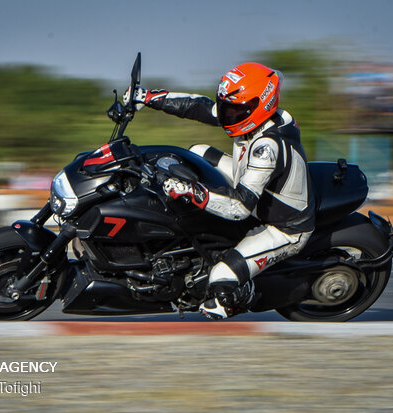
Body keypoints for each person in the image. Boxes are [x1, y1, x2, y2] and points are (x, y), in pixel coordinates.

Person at [124, 62, 315, 319]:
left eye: (235, 110)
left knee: (221, 279)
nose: (227, 115)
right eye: (226, 107)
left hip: (282, 225)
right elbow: (198, 106)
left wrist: (192, 191)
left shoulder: (267, 148)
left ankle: (247, 293)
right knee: (196, 154)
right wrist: (147, 97)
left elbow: (240, 208)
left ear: (263, 104)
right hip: (252, 185)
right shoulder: (252, 114)